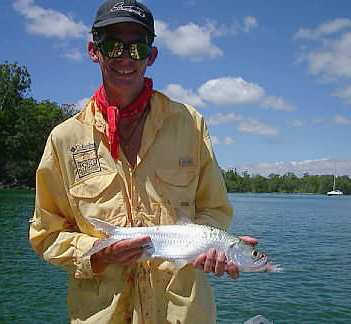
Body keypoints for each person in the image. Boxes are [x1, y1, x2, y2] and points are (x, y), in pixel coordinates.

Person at [29, 1, 257, 323]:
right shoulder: (63, 139)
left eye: (137, 48)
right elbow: (46, 233)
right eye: (112, 45)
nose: (124, 57)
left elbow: (214, 209)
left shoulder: (190, 124)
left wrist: (213, 246)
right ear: (94, 51)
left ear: (151, 56)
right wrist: (99, 254)